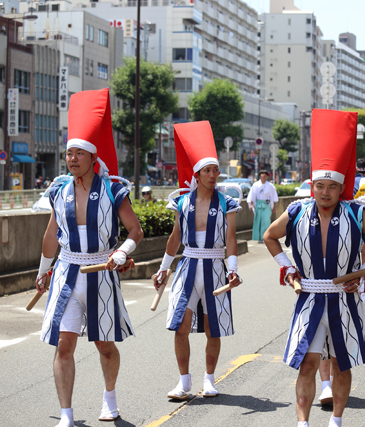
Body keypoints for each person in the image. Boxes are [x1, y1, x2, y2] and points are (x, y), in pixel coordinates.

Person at [263, 109, 365, 427]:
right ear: (313, 187)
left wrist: (362, 274)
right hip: (309, 296)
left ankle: (335, 421)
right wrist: (287, 267)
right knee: (307, 365)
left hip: (344, 298)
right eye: (319, 186)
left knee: (341, 365)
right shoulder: (296, 212)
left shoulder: (355, 213)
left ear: (340, 189)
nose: (325, 192)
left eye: (331, 187)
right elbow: (269, 236)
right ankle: (303, 423)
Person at [36, 89, 143, 426]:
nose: (71, 159)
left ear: (92, 157)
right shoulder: (58, 189)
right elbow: (52, 234)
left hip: (102, 271)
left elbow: (135, 230)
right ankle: (66, 415)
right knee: (63, 346)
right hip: (67, 270)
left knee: (104, 346)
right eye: (68, 153)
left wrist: (122, 252)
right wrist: (43, 271)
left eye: (78, 153)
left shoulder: (113, 188)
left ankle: (109, 398)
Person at [154, 121, 242, 400]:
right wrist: (163, 269)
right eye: (208, 170)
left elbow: (230, 239)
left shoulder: (227, 203)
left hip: (216, 266)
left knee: (211, 327)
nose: (214, 174)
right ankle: (184, 382)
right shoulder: (182, 202)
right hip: (188, 264)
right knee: (180, 325)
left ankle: (210, 379)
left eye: (216, 170)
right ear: (197, 174)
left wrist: (233, 270)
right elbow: (175, 238)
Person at [248, 170, 278, 243]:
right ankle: (259, 238)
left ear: (267, 176)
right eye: (262, 174)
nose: (263, 176)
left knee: (266, 221)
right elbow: (252, 195)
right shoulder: (255, 185)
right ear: (260, 176)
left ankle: (266, 237)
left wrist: (274, 207)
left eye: (265, 174)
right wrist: (251, 204)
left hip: (267, 205)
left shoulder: (270, 185)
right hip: (258, 204)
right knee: (258, 221)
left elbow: (273, 197)